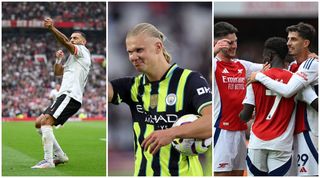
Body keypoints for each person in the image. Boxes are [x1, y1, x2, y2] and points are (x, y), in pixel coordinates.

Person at [108, 23, 212, 176]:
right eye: (129, 52)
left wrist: (172, 133)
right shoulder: (132, 87)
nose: (133, 57)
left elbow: (211, 122)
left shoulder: (190, 80)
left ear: (158, 47)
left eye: (139, 50)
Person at [240, 37, 318, 176]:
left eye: (265, 54)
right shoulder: (296, 80)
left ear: (269, 55)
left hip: (257, 143)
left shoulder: (255, 79)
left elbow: (245, 116)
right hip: (281, 145)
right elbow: (315, 103)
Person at [31, 17, 91, 168]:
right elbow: (58, 73)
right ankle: (60, 156)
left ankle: (48, 160)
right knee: (39, 123)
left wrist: (52, 28)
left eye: (75, 38)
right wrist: (58, 60)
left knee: (46, 123)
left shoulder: (83, 52)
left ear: (83, 42)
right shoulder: (73, 59)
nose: (72, 39)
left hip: (70, 95)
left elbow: (64, 41)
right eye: (71, 38)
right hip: (63, 95)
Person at [213, 22, 267, 176]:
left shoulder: (242, 65)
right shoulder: (216, 65)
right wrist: (214, 50)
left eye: (235, 41)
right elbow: (201, 68)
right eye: (230, 42)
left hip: (241, 131)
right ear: (217, 43)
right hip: (222, 131)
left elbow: (271, 68)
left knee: (238, 174)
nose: (234, 46)